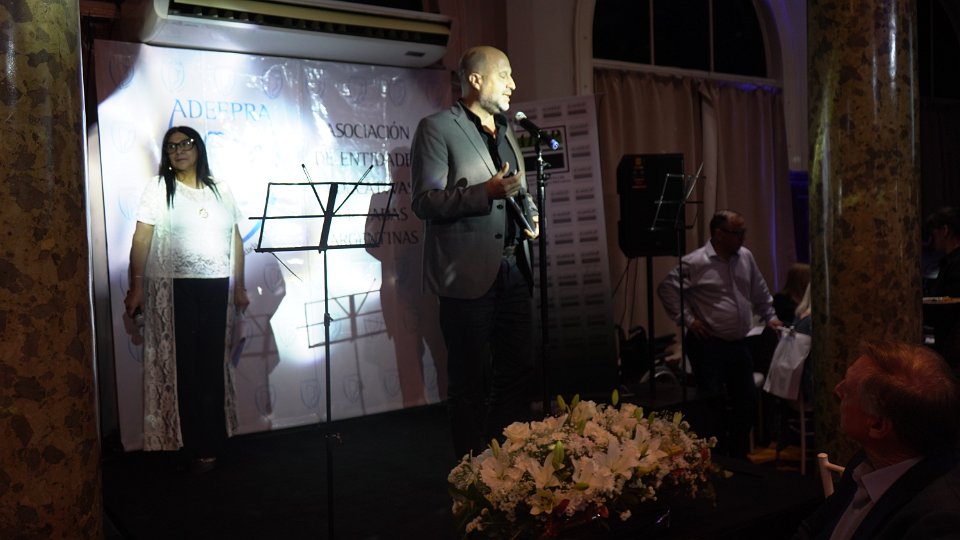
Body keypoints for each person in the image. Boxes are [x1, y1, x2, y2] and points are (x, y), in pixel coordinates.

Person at [410, 45, 539, 458]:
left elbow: (518, 190)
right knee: (469, 379)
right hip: (466, 275)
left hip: (514, 269)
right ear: (476, 79)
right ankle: (470, 469)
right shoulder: (436, 128)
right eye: (505, 75)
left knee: (517, 369)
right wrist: (485, 192)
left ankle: (506, 462)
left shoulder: (506, 130)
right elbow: (426, 201)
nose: (513, 84)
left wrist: (531, 214)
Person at [124, 126, 249, 474]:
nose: (178, 151)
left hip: (217, 286)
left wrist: (240, 286)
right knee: (187, 368)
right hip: (176, 287)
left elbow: (235, 239)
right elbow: (141, 239)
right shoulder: (158, 187)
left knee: (213, 366)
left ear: (198, 149)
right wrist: (136, 286)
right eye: (171, 147)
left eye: (185, 144)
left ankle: (213, 441)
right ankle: (193, 444)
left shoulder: (220, 188)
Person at [793, 341, 960, 540]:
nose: (837, 390)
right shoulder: (868, 460)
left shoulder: (938, 521)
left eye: (848, 391)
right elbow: (813, 528)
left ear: (877, 426)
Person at [657, 209, 782, 457]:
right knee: (712, 402)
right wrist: (688, 320)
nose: (742, 238)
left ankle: (736, 454)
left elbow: (759, 290)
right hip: (708, 345)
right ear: (719, 234)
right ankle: (717, 457)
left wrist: (770, 317)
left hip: (738, 343)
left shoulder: (745, 257)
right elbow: (667, 288)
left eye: (744, 232)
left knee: (747, 400)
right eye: (737, 233)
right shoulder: (695, 262)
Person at [924, 207, 960, 365]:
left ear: (945, 230)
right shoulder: (951, 262)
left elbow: (949, 305)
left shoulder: (955, 264)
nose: (931, 240)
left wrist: (919, 307)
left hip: (953, 351)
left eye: (933, 232)